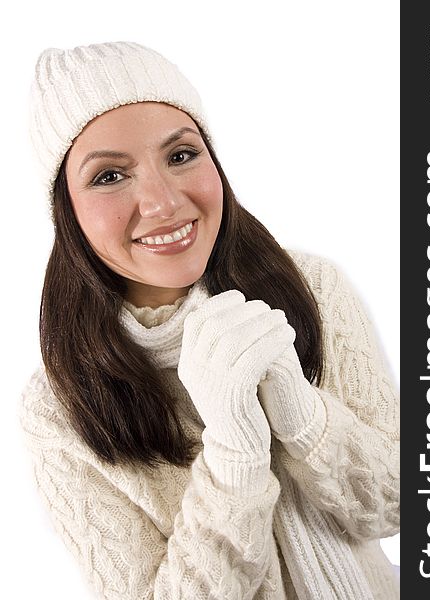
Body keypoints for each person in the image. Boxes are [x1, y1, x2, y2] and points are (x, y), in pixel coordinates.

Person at [19, 41, 400, 599]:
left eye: (180, 156)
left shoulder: (312, 289)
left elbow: (403, 505)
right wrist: (235, 453)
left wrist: (304, 416)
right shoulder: (57, 410)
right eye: (108, 176)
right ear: (66, 210)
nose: (163, 202)